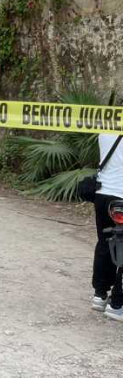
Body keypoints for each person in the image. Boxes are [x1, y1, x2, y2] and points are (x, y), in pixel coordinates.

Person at [91, 134, 123, 321]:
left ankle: (100, 294)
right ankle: (118, 304)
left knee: (105, 243)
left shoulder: (105, 127)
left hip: (103, 194)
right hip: (122, 194)